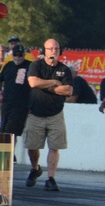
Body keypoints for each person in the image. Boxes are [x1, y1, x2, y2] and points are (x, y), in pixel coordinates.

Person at [24, 39, 72, 191]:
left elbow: (68, 90)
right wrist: (54, 82)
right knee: (32, 146)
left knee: (54, 146)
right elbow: (33, 83)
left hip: (55, 113)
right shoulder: (36, 65)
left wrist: (47, 86)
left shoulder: (64, 69)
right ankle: (35, 168)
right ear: (43, 50)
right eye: (50, 48)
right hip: (35, 112)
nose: (53, 51)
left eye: (56, 48)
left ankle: (51, 178)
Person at [0, 44, 32, 139]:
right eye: (15, 54)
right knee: (3, 130)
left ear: (24, 55)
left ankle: (9, 149)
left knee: (11, 132)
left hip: (20, 106)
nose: (18, 57)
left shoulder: (30, 66)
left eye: (20, 55)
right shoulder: (8, 65)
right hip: (6, 104)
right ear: (12, 55)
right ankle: (5, 148)